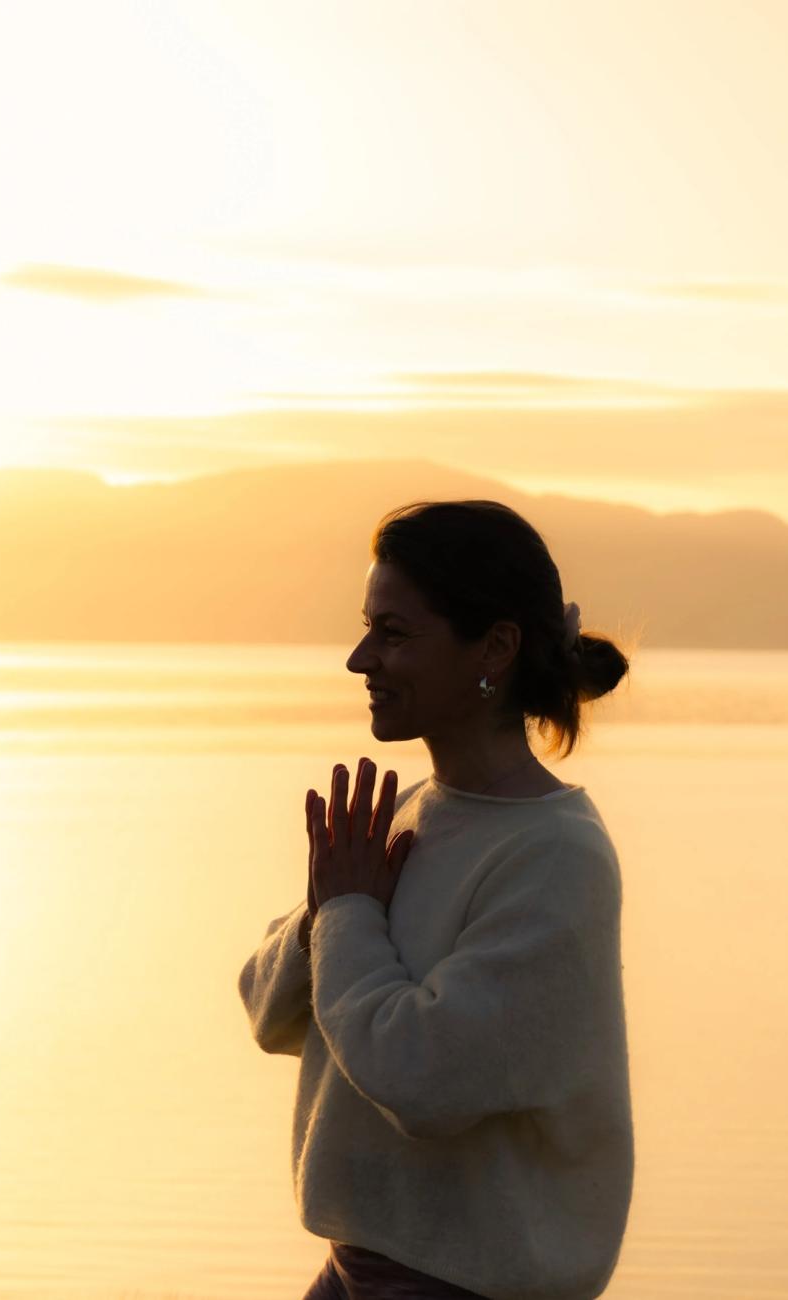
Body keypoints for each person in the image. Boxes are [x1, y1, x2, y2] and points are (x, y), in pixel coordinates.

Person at [237, 499, 635, 1299]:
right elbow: (270, 1010)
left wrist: (347, 912)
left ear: (493, 647)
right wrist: (327, 910)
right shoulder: (406, 811)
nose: (359, 659)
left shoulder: (554, 854)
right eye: (366, 628)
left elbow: (422, 1079)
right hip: (351, 1273)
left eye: (393, 634)